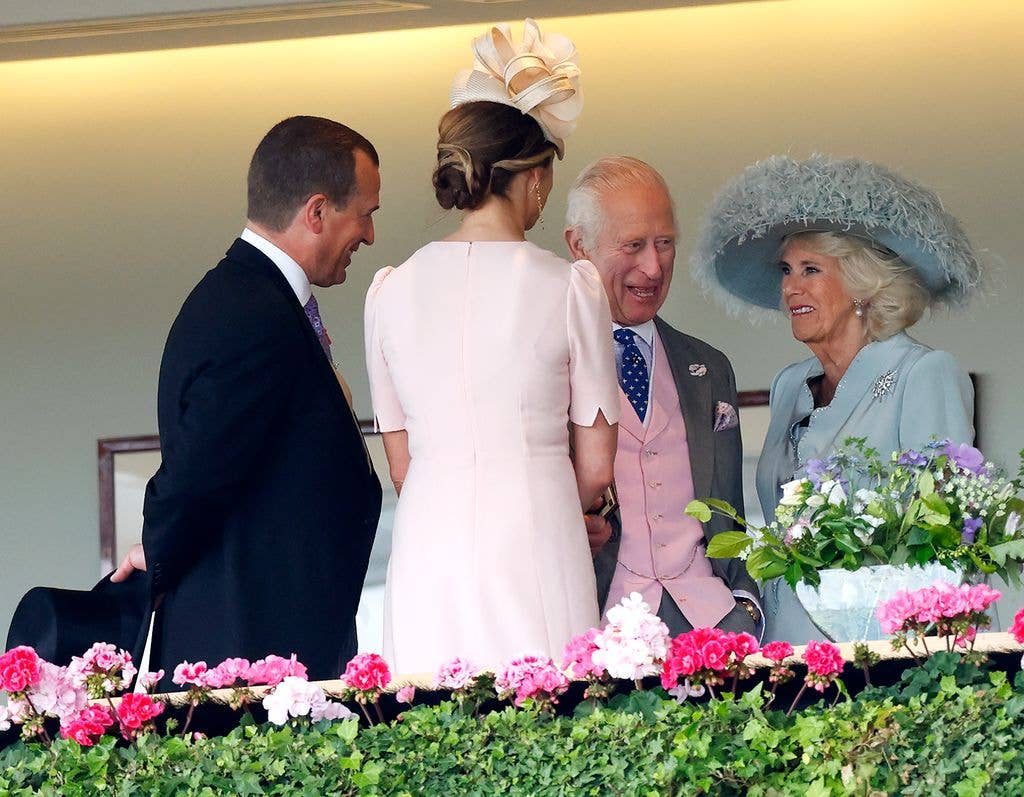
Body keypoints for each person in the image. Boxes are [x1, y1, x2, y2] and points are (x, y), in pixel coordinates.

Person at [365, 20, 618, 675]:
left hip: (429, 545)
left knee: (436, 730)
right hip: (536, 532)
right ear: (532, 177)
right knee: (551, 723)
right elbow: (594, 469)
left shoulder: (389, 292)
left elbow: (402, 465)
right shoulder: (571, 287)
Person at [111, 116, 383, 684]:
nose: (370, 235)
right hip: (250, 654)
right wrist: (159, 548)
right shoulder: (251, 314)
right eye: (366, 214)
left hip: (275, 638)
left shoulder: (254, 299)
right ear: (316, 212)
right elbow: (200, 469)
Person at [692, 154, 981, 642]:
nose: (790, 287)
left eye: (811, 270)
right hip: (784, 642)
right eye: (786, 270)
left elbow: (947, 538)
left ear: (861, 285)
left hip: (880, 646)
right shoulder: (789, 385)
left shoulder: (922, 373)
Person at [564, 156, 762, 637]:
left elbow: (728, 510)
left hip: (712, 625)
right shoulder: (550, 366)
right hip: (596, 625)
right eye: (633, 246)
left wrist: (747, 607)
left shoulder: (709, 367)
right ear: (578, 245)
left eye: (665, 244)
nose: (652, 268)